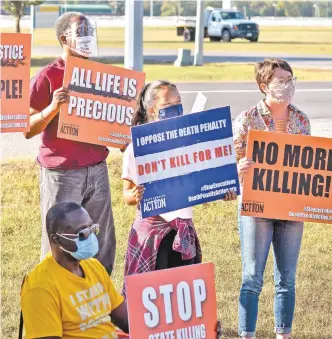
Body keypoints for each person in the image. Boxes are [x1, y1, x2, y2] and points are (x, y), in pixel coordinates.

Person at [233, 58, 332, 339]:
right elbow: (229, 167)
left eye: (291, 79)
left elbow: (309, 167)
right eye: (282, 80)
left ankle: (283, 333)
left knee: (286, 279)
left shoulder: (301, 119)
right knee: (252, 277)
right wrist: (239, 169)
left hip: (292, 209)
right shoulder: (247, 119)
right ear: (265, 86)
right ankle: (247, 333)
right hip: (257, 208)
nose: (289, 84)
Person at [121, 80, 237, 294]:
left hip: (183, 229)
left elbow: (202, 182)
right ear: (152, 110)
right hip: (153, 232)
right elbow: (126, 196)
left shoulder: (190, 144)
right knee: (152, 294)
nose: (176, 107)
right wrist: (135, 195)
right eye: (168, 104)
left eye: (179, 101)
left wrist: (223, 190)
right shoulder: (136, 149)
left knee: (181, 295)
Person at [24, 12, 116, 274]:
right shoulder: (47, 76)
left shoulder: (99, 75)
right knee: (60, 243)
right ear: (64, 38)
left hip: (97, 170)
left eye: (90, 31)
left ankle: (99, 300)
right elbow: (27, 129)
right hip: (62, 175)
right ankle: (57, 300)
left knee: (101, 243)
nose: (88, 38)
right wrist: (53, 107)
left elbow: (111, 121)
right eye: (81, 32)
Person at [20, 202, 129, 339]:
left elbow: (124, 317)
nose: (91, 237)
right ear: (57, 239)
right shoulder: (40, 287)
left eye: (92, 229)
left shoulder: (93, 266)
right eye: (83, 233)